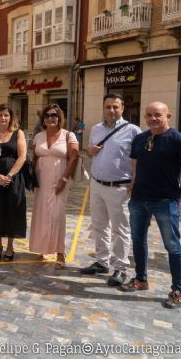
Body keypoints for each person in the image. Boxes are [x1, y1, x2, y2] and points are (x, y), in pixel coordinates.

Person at [120, 102, 181, 309]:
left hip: (165, 201)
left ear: (168, 116)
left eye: (158, 115)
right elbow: (135, 163)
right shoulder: (140, 138)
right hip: (138, 199)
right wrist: (132, 183)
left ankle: (178, 289)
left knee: (172, 246)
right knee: (138, 241)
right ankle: (140, 279)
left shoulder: (176, 139)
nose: (153, 118)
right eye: (149, 115)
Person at [81, 93, 140, 286]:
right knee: (99, 226)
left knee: (120, 230)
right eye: (108, 107)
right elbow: (89, 152)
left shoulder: (133, 131)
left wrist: (136, 181)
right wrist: (90, 151)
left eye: (116, 107)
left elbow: (139, 160)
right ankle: (102, 261)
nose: (112, 110)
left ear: (122, 108)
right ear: (103, 108)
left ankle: (121, 268)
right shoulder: (97, 129)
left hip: (120, 188)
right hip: (97, 185)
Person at [29, 104, 79, 269]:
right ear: (43, 119)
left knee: (57, 216)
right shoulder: (38, 137)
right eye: (47, 115)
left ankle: (60, 252)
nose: (51, 118)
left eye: (54, 115)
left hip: (59, 179)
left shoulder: (68, 135)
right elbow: (34, 158)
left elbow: (73, 158)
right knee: (42, 214)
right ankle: (44, 248)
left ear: (59, 118)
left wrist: (64, 179)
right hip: (41, 180)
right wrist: (31, 178)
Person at [0, 104, 27, 261]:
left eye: (6, 115)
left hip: (13, 178)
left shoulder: (18, 133)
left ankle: (10, 246)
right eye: (0, 115)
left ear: (11, 117)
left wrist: (9, 175)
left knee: (12, 210)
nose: (3, 118)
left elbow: (22, 156)